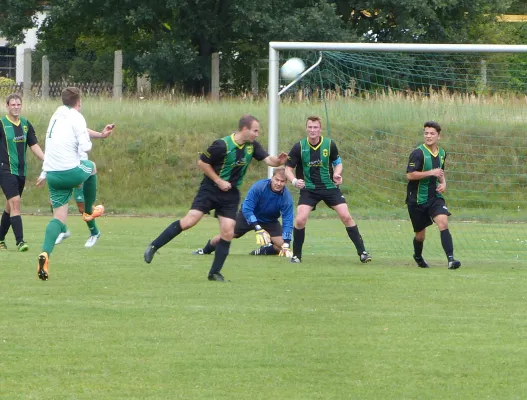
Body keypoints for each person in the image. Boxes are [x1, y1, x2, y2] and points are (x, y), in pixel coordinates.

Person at [143, 114, 288, 282]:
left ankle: (214, 273)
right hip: (210, 189)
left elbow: (268, 159)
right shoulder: (221, 145)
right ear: (244, 129)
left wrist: (278, 161)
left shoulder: (252, 146)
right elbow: (202, 163)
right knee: (190, 221)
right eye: (255, 131)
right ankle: (154, 246)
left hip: (230, 194)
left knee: (228, 231)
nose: (257, 134)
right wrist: (218, 180)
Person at [35, 87, 108, 281]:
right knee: (91, 167)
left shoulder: (57, 114)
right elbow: (86, 146)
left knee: (58, 218)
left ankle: (45, 255)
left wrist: (100, 134)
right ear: (79, 101)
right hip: (70, 171)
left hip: (53, 174)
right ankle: (90, 211)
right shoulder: (77, 117)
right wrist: (86, 142)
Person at [285, 115, 371, 264]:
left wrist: (337, 174)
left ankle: (363, 252)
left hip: (330, 188)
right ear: (306, 128)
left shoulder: (329, 145)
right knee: (300, 219)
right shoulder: (299, 147)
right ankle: (296, 256)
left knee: (346, 216)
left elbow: (338, 163)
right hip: (309, 189)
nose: (312, 130)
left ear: (320, 129)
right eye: (310, 127)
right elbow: (288, 168)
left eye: (315, 127)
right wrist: (293, 181)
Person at [193, 167, 294, 257]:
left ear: (286, 182)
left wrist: (287, 243)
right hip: (247, 217)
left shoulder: (287, 198)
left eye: (282, 181)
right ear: (272, 177)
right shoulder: (259, 187)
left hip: (269, 221)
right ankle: (205, 250)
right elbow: (247, 208)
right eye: (276, 179)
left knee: (282, 247)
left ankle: (262, 251)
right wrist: (257, 227)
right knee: (226, 235)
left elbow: (288, 220)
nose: (278, 183)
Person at [406, 121, 461, 269]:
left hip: (434, 197)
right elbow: (410, 175)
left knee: (443, 222)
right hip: (416, 199)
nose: (428, 136)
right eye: (426, 133)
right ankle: (418, 256)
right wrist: (431, 173)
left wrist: (443, 183)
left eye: (432, 133)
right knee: (420, 235)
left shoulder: (442, 153)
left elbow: (440, 171)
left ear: (438, 136)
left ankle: (451, 260)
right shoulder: (418, 153)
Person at [55, 125, 115, 248]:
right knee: (54, 200)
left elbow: (84, 131)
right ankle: (63, 230)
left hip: (81, 169)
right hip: (66, 168)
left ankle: (94, 232)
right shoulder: (59, 126)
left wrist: (101, 135)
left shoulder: (74, 122)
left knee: (83, 208)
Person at [0, 93, 45, 252]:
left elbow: (34, 146)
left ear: (21, 105)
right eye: (12, 104)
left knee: (9, 206)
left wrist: (47, 160)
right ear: (7, 106)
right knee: (16, 203)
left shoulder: (26, 124)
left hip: (21, 172)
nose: (16, 107)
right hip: (5, 170)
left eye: (18, 104)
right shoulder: (1, 123)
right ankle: (20, 242)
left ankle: (0, 239)